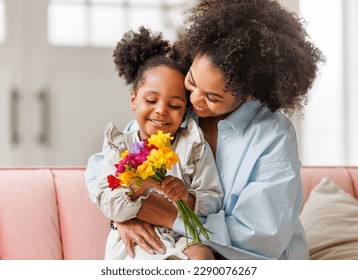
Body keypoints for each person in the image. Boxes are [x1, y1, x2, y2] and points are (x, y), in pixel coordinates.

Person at [86, 0, 324, 259]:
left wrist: (167, 216)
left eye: (212, 97)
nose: (195, 100)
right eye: (192, 81)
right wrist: (123, 216)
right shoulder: (177, 108)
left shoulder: (273, 136)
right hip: (174, 249)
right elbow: (106, 165)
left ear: (248, 94)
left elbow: (261, 236)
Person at [91, 26, 223, 260]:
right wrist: (139, 186)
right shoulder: (121, 148)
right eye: (151, 100)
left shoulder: (192, 146)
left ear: (185, 112)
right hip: (142, 235)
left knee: (202, 257)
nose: (161, 110)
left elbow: (212, 199)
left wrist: (186, 197)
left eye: (174, 106)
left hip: (186, 234)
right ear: (134, 101)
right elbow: (110, 204)